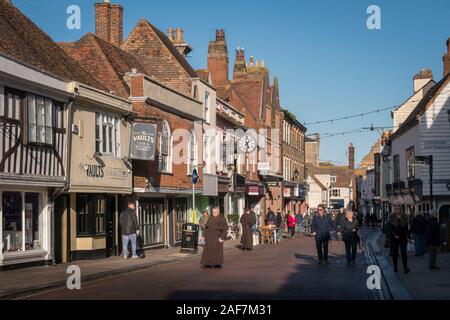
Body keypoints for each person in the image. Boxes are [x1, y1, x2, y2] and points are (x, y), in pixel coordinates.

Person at [388, 206, 410, 274]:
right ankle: (395, 267)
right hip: (394, 238)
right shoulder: (391, 217)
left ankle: (405, 268)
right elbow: (389, 228)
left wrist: (408, 236)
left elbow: (406, 228)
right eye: (396, 209)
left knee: (403, 252)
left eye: (399, 209)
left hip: (403, 237)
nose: (397, 210)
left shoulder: (404, 217)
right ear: (394, 210)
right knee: (395, 253)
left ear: (400, 209)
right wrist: (394, 235)